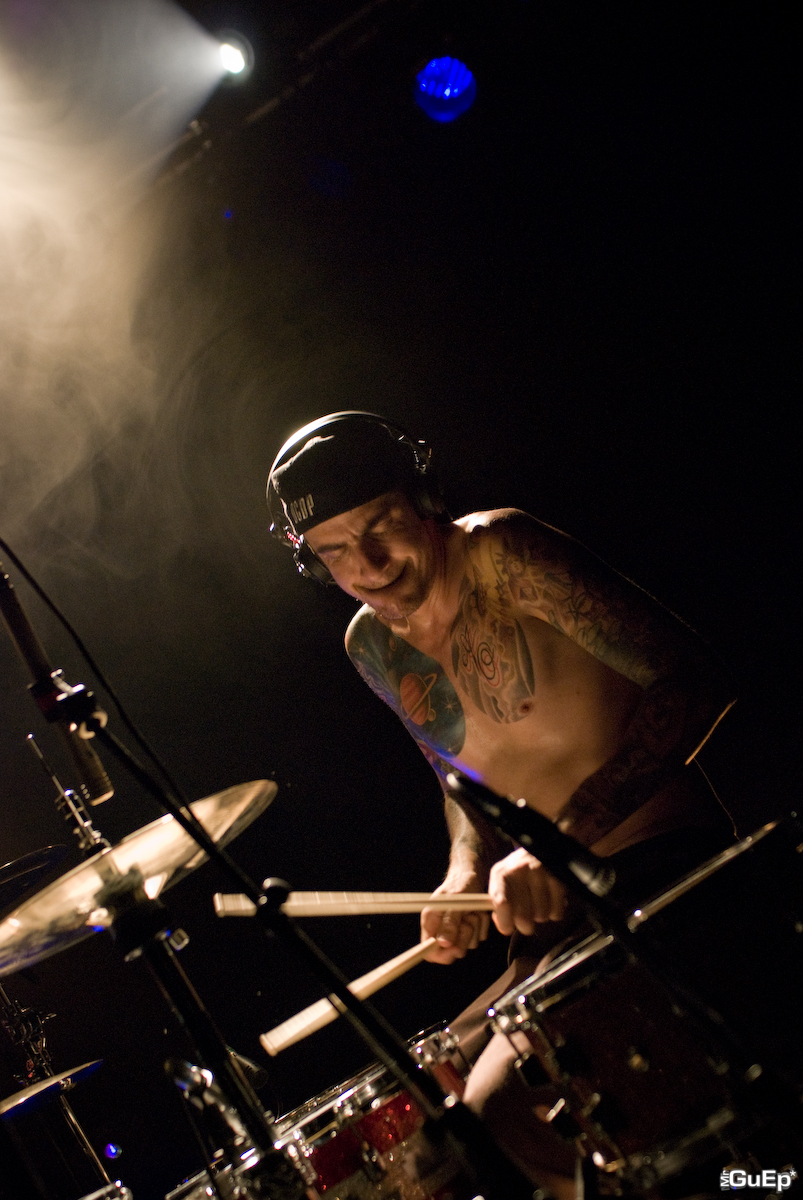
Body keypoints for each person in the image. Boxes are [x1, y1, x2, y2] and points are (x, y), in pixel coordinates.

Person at [267, 411, 736, 1197]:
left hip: (659, 873)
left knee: (500, 1117)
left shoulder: (501, 553)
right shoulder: (370, 646)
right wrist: (460, 873)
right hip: (552, 930)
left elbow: (692, 681)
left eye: (380, 526)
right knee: (422, 1139)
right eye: (334, 552)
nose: (369, 566)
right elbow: (461, 785)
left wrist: (558, 843)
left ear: (423, 500)